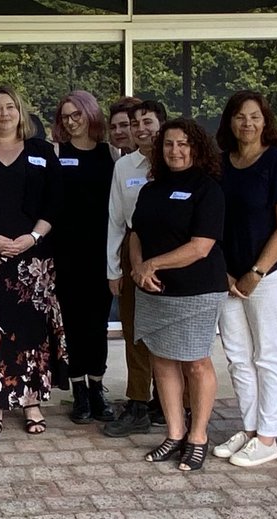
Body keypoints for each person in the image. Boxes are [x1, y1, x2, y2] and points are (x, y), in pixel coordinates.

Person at [130, 118, 227, 472]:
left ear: (197, 148)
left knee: (196, 362)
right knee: (162, 360)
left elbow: (201, 247)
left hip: (197, 290)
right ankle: (174, 433)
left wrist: (150, 265)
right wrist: (139, 268)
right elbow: (136, 233)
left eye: (184, 143)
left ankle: (198, 437)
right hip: (153, 289)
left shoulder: (208, 189)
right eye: (169, 144)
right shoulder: (150, 189)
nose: (176, 150)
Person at [212, 91, 277, 468]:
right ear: (229, 122)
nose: (247, 123)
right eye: (239, 117)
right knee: (237, 357)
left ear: (265, 122)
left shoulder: (276, 162)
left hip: (269, 275)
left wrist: (255, 273)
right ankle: (249, 429)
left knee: (267, 355)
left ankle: (268, 436)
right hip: (227, 275)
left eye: (255, 117)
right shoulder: (220, 164)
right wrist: (229, 272)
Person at [0, 85, 68, 435]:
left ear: (20, 112)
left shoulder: (41, 151)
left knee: (32, 329)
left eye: (10, 107)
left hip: (33, 257)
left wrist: (32, 237)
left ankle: (32, 400)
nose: (4, 114)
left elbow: (56, 201)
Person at [51, 90, 116, 424]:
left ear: (91, 115)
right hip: (66, 254)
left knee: (97, 325)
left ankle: (97, 388)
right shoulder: (56, 153)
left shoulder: (111, 154)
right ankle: (79, 393)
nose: (71, 121)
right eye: (65, 116)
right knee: (73, 324)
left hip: (101, 253)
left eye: (77, 114)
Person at [104, 100, 167, 437]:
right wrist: (113, 268)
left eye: (148, 122)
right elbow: (116, 220)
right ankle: (139, 403)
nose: (141, 129)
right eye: (135, 123)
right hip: (132, 250)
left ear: (162, 124)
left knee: (170, 330)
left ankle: (171, 402)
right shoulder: (125, 167)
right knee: (134, 330)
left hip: (173, 251)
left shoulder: (178, 159)